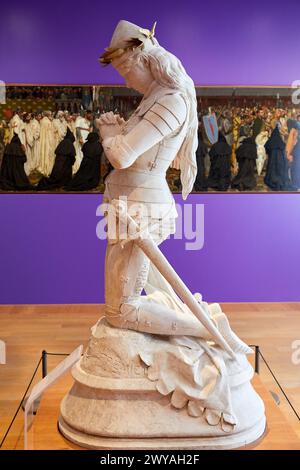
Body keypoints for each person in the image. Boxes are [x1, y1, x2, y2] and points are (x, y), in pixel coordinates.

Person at [97, 19, 249, 355]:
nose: (126, 81)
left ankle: (207, 329)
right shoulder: (155, 97)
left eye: (126, 72)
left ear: (146, 61)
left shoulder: (170, 100)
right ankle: (200, 324)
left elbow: (122, 156)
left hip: (140, 208)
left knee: (121, 311)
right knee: (159, 290)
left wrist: (110, 135)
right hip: (129, 204)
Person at [264, 125, 290, 191]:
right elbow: (284, 148)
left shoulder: (271, 141)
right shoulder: (281, 143)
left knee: (272, 172)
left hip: (272, 161)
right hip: (280, 163)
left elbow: (266, 147)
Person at [37, 111, 55, 176]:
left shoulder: (42, 121)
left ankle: (43, 166)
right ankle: (47, 168)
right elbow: (50, 132)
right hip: (48, 140)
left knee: (43, 152)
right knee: (47, 153)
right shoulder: (48, 122)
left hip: (43, 140)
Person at [286, 118, 300, 189]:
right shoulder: (297, 128)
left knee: (294, 167)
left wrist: (289, 153)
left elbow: (293, 142)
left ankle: (296, 184)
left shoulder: (294, 129)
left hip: (296, 150)